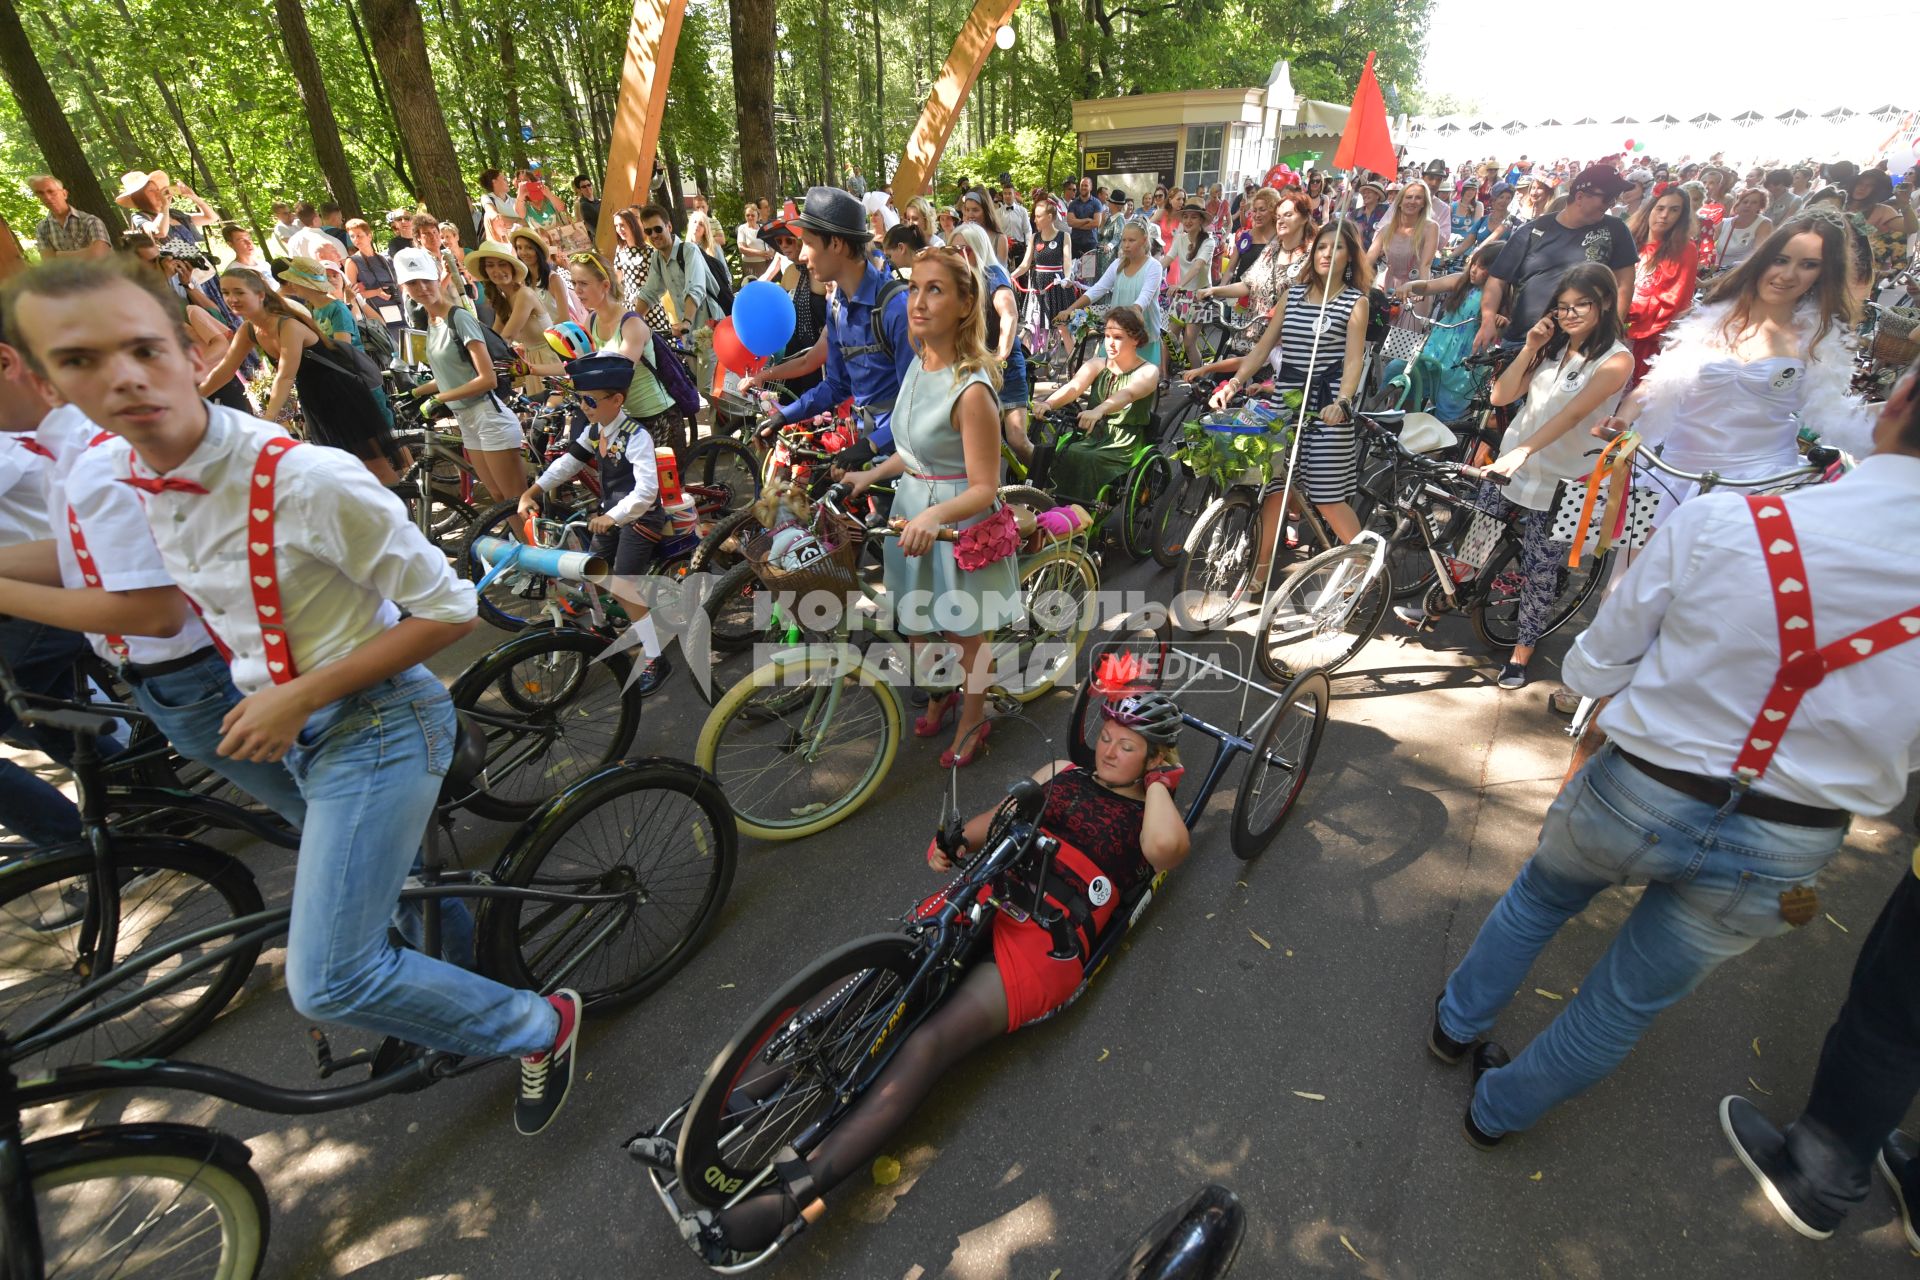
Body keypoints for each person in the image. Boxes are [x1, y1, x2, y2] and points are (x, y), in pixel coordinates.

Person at [3, 256, 583, 1134]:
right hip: (298, 731)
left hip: (379, 721)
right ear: (48, 382)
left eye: (143, 349)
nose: (121, 377)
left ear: (196, 352)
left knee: (326, 979)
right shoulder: (140, 477)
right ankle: (453, 986)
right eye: (82, 362)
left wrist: (292, 695)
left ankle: (540, 1025)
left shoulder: (304, 478)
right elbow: (130, 584)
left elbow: (451, 608)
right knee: (373, 908)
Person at [1430, 347, 1920, 1152]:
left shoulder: (1732, 520)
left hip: (1642, 786)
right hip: (1788, 843)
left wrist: (1616, 691)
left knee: (1540, 899)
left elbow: (1597, 659)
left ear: (1898, 399)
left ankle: (1454, 1028)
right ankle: (1497, 1111)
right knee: (1622, 1003)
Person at [646, 680, 1191, 1262]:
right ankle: (710, 1119)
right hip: (989, 891)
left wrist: (1158, 784)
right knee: (862, 985)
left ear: (1155, 760)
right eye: (1105, 737)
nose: (1107, 751)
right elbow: (995, 821)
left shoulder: (1153, 817)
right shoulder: (1062, 769)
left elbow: (1165, 851)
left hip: (1044, 945)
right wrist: (952, 842)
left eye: (1126, 747)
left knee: (929, 1042)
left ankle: (788, 1199)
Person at [1408, 264, 1633, 688]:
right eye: (1562, 307)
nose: (1569, 315)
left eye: (1580, 305)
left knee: (1539, 569)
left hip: (1567, 479)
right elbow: (1501, 395)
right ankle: (1438, 607)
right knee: (1475, 539)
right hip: (1512, 465)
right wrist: (1531, 347)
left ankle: (1520, 654)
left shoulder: (1616, 359)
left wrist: (1523, 452)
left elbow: (1574, 415)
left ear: (1604, 302)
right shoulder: (1551, 347)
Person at [840, 247, 1020, 767]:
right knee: (921, 617)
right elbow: (915, 449)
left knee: (966, 633)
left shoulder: (972, 390)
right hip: (914, 510)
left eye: (935, 289)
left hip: (954, 523)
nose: (917, 302)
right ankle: (943, 691)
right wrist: (870, 475)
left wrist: (933, 516)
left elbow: (985, 486)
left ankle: (975, 717)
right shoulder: (921, 363)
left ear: (966, 305)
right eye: (914, 287)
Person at [1605, 212, 1874, 501]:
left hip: (1762, 482)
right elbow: (1658, 384)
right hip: (1678, 474)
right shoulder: (1707, 320)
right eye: (1781, 260)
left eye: (1808, 265)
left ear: (1824, 274)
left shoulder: (1820, 337)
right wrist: (1622, 420)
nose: (1787, 275)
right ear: (1764, 258)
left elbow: (1833, 411)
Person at [1210, 220, 1371, 582]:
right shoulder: (1292, 295)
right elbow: (1263, 348)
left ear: (1350, 257)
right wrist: (1233, 384)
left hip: (1328, 405)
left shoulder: (1354, 302)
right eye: (1323, 247)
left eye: (1338, 248)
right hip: (1286, 399)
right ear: (1314, 253)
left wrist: (1343, 401)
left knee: (1327, 496)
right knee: (1274, 488)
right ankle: (1261, 568)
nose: (1329, 253)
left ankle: (1362, 568)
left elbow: (1353, 360)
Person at [515, 352, 672, 694]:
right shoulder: (595, 430)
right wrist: (533, 490)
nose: (584, 407)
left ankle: (655, 656)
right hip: (609, 516)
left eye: (590, 400)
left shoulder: (635, 436)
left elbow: (647, 490)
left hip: (639, 516)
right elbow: (569, 464)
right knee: (592, 573)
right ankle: (602, 627)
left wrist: (611, 517)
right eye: (579, 399)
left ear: (617, 400)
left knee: (624, 586)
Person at [201, 266, 406, 485]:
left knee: (376, 466)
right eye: (225, 292)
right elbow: (224, 369)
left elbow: (285, 376)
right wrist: (193, 397)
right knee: (345, 472)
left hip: (343, 394)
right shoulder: (249, 330)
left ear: (260, 294)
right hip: (316, 399)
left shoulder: (287, 325)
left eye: (239, 292)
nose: (231, 298)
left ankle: (402, 515)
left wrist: (269, 419)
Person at [763, 188, 912, 467]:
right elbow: (836, 385)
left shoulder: (896, 308)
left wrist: (872, 445)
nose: (803, 256)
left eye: (808, 243)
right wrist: (785, 416)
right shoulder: (837, 307)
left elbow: (918, 403)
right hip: (865, 450)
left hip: (905, 462)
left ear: (837, 244)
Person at [396, 247, 529, 506]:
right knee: (499, 500)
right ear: (404, 287)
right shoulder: (432, 322)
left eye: (427, 280)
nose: (422, 287)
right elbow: (450, 376)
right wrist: (416, 392)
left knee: (517, 501)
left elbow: (487, 378)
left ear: (438, 279)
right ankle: (520, 544)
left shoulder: (459, 317)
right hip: (465, 419)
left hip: (488, 415)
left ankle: (538, 546)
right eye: (413, 282)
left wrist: (439, 399)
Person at [526, 252, 690, 457]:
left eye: (584, 284)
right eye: (575, 283)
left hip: (657, 416)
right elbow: (577, 364)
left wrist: (576, 383)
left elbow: (618, 375)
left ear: (605, 285)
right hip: (622, 417)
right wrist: (531, 369)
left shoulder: (631, 324)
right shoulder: (591, 321)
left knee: (661, 486)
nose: (577, 291)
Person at [1476, 165, 1636, 353]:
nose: (1611, 203)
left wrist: (1610, 332)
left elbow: (1624, 285)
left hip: (1578, 346)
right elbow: (1497, 280)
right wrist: (1488, 319)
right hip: (1523, 342)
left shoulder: (1616, 230)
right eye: (1608, 197)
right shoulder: (1532, 230)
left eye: (1615, 198)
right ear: (1580, 196)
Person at [1034, 305, 1162, 501]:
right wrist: (1048, 403)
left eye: (1118, 338)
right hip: (1093, 432)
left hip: (1124, 440)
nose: (1110, 343)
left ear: (1136, 340)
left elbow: (1127, 394)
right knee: (1060, 450)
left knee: (1087, 459)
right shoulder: (1097, 363)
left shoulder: (1148, 371)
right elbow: (1074, 387)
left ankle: (1083, 514)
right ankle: (1056, 507)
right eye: (1107, 336)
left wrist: (1100, 409)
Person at [947, 224, 1032, 466]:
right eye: (954, 248)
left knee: (1017, 439)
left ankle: (1048, 483)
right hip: (972, 367)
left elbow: (1009, 314)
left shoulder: (992, 273)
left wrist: (1001, 355)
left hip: (1002, 367)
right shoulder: (956, 281)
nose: (960, 254)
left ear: (979, 248)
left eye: (966, 249)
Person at [1397, 242, 1500, 419]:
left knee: (1447, 412)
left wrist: (1499, 321)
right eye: (1474, 264)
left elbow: (1503, 329)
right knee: (1402, 372)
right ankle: (1399, 421)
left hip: (1463, 361)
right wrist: (1411, 285)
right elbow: (1429, 286)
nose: (1474, 270)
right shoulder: (1462, 281)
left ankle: (1439, 445)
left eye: (1482, 267)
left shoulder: (1500, 297)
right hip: (1437, 347)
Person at [1204, 188, 1312, 352]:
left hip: (1281, 327)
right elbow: (1242, 278)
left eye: (1263, 209)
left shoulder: (1296, 248)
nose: (1257, 214)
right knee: (1230, 352)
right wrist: (1217, 290)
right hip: (1248, 308)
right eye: (1254, 210)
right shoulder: (1257, 243)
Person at [1055, 221, 1166, 368]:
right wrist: (1070, 309)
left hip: (1143, 333)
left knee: (1140, 382)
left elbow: (1145, 296)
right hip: (1117, 331)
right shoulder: (1118, 264)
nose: (1126, 245)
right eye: (1124, 240)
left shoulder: (1154, 266)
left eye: (1131, 240)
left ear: (1144, 240)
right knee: (1107, 375)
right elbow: (1097, 289)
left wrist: (1135, 309)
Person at [1625, 186, 1701, 384]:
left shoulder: (1685, 250)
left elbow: (1673, 299)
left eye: (1674, 210)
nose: (1665, 215)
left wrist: (1627, 315)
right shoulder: (1630, 239)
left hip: (1648, 335)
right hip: (1615, 324)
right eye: (1660, 208)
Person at [634, 204, 719, 339]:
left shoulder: (689, 250)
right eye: (648, 231)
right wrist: (632, 321)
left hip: (711, 328)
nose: (654, 235)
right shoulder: (657, 258)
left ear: (669, 227)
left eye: (658, 229)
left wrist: (686, 322)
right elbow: (649, 293)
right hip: (687, 333)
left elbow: (695, 288)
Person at [467, 238, 556, 362]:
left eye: (502, 264)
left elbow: (507, 337)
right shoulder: (503, 299)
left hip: (550, 359)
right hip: (532, 361)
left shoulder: (524, 294)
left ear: (512, 268)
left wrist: (479, 361)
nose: (497, 270)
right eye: (490, 265)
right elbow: (496, 336)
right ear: (485, 271)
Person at [1160, 203, 1216, 368]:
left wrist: (1179, 284)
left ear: (1201, 220)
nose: (1188, 220)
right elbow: (1167, 259)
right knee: (1169, 338)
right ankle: (1164, 376)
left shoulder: (1208, 242)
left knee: (1189, 343)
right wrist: (1148, 272)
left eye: (1194, 216)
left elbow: (1197, 266)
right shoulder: (1180, 239)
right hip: (1182, 295)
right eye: (1185, 216)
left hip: (1199, 296)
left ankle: (1197, 382)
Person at [1370, 180, 1439, 314]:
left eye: (1418, 198)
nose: (1412, 201)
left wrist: (1421, 288)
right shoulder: (1387, 229)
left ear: (1424, 203)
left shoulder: (1431, 227)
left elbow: (1426, 264)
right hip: (1389, 286)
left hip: (1415, 288)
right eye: (1408, 197)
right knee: (1381, 331)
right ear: (1400, 202)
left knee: (1406, 333)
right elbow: (1368, 259)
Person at [1012, 197, 1073, 333]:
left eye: (1038, 216)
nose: (1034, 220)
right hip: (1038, 285)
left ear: (1050, 217)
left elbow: (1067, 261)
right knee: (1035, 325)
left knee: (1063, 328)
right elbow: (1025, 264)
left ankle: (1072, 354)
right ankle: (1037, 353)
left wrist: (1067, 278)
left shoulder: (1064, 236)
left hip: (1057, 285)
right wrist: (1011, 276)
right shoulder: (1034, 237)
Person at [116, 170, 213, 252]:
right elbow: (160, 232)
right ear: (140, 198)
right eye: (151, 191)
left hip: (202, 268)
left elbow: (211, 218)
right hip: (178, 271)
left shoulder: (173, 214)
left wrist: (194, 197)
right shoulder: (140, 217)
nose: (158, 193)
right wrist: (165, 207)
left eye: (158, 189)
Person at [509, 226, 581, 328]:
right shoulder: (523, 283)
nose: (523, 252)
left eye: (529, 247)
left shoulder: (553, 279)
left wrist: (544, 336)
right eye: (519, 247)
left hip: (562, 335)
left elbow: (564, 317)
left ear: (538, 250)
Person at [344, 219, 403, 340]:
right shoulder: (352, 262)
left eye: (359, 235)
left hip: (398, 310)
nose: (356, 239)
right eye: (352, 236)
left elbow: (399, 284)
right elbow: (352, 295)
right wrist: (376, 292)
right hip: (375, 314)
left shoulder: (385, 259)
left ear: (369, 236)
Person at [28, 176, 109, 259]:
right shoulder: (42, 228)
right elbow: (49, 261)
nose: (47, 197)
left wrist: (59, 255)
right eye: (40, 193)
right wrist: (87, 253)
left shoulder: (91, 221)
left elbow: (100, 254)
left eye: (51, 191)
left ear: (64, 194)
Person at [1713, 187, 1773, 273]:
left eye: (1754, 203)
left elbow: (1759, 254)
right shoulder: (1724, 223)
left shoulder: (1764, 224)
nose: (1748, 205)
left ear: (1761, 206)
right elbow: (1707, 246)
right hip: (1715, 271)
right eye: (1745, 202)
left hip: (1740, 273)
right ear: (1739, 203)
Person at [1065, 176, 1105, 281]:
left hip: (1090, 243)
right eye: (1082, 185)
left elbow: (1096, 223)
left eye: (1086, 185)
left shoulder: (1096, 203)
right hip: (1075, 243)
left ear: (1091, 187)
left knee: (1088, 275)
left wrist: (1077, 223)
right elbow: (1070, 222)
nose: (1083, 187)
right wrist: (1087, 220)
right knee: (1074, 274)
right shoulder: (1073, 204)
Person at [959, 190, 1007, 267]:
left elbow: (1001, 274)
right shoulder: (961, 237)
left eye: (975, 210)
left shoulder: (999, 239)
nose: (970, 215)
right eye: (967, 210)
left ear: (986, 211)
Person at [479, 168, 526, 241]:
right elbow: (495, 218)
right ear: (494, 182)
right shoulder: (487, 198)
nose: (507, 181)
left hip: (519, 244)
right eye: (504, 179)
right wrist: (520, 221)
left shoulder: (515, 201)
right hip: (500, 246)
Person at [997, 180, 1031, 277]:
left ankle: (1023, 292)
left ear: (1014, 194)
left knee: (1022, 276)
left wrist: (1028, 245)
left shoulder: (1022, 211)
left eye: (1009, 193)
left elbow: (1027, 229)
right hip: (1004, 247)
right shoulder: (998, 213)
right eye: (1005, 194)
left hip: (1019, 245)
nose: (1007, 196)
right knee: (1004, 273)